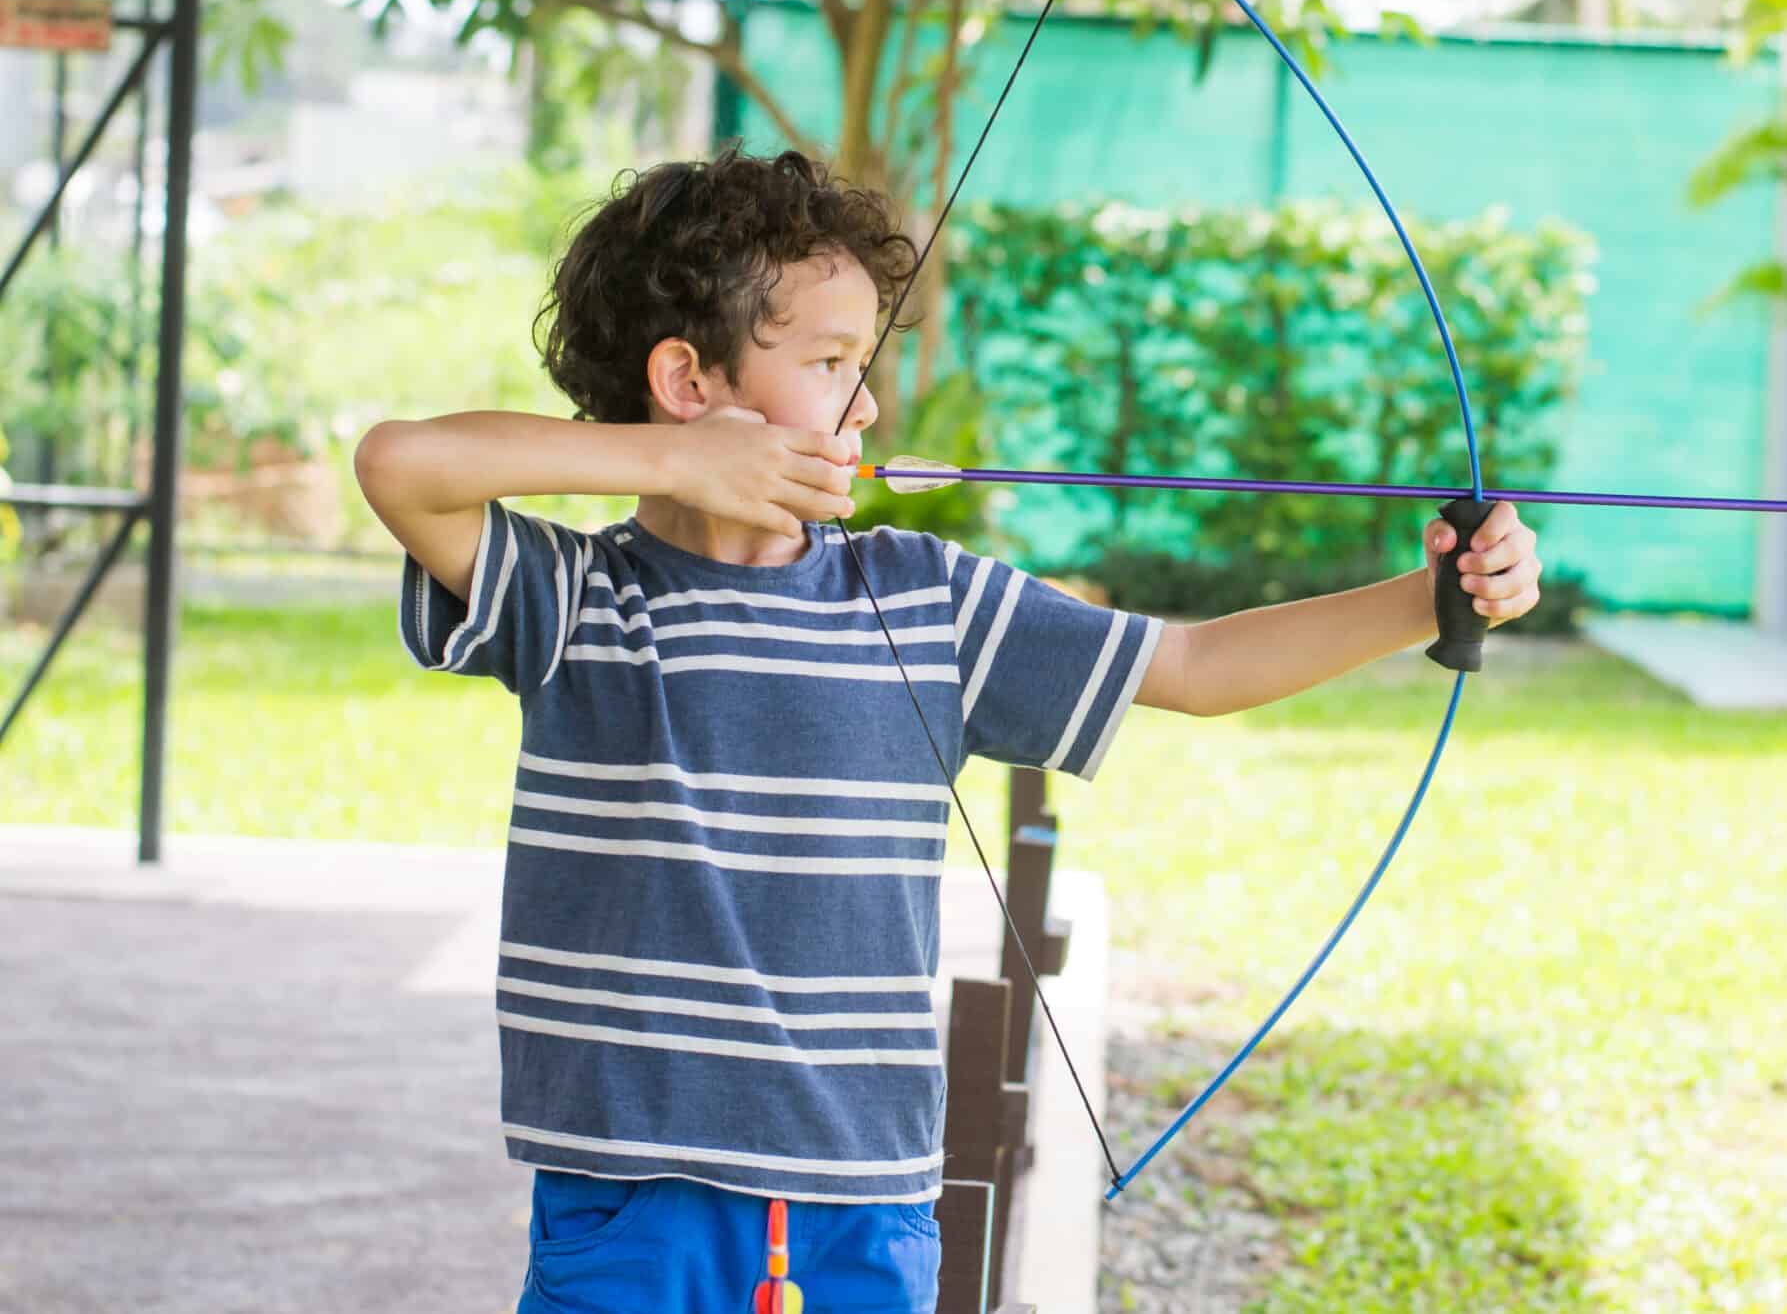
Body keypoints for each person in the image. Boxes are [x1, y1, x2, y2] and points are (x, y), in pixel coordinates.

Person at [352, 146, 1543, 1312]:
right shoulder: (576, 602)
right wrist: (670, 462)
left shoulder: (926, 596)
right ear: (686, 383)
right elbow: (402, 464)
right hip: (632, 1200)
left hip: (862, 1204)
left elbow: (1192, 663)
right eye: (829, 361)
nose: (866, 402)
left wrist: (1427, 598)